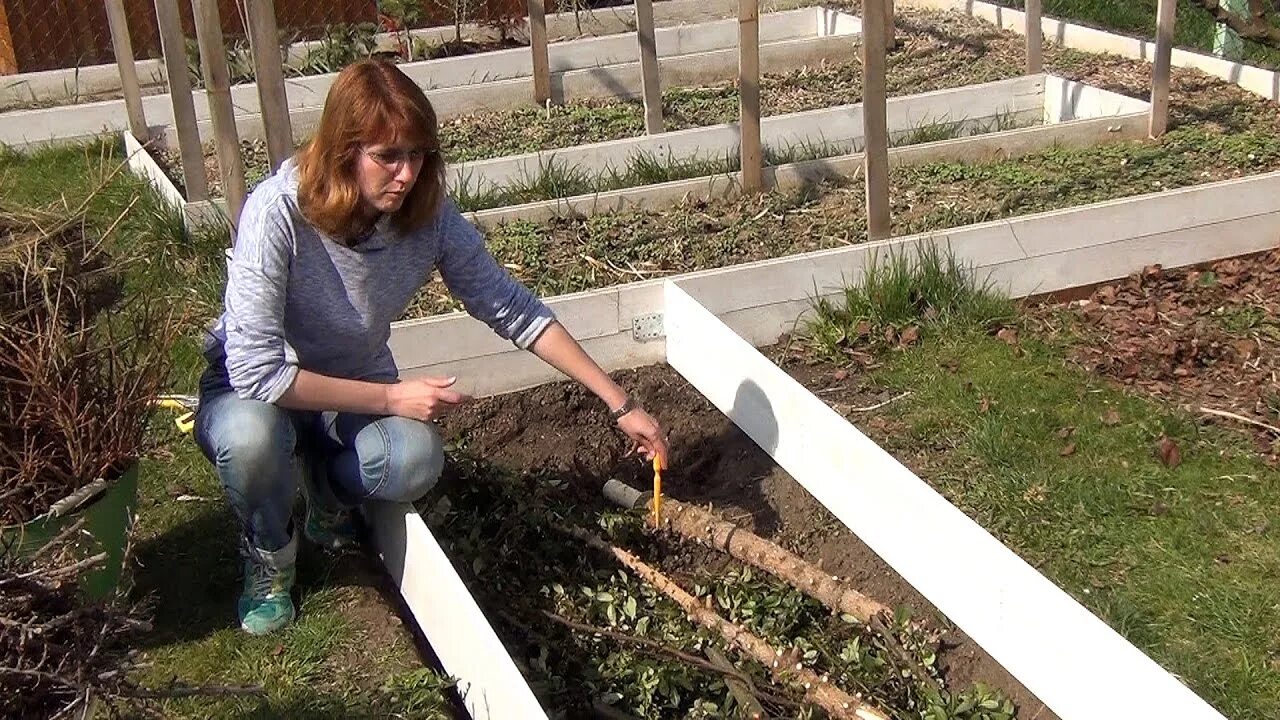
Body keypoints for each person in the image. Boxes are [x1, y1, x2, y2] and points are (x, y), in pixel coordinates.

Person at [193, 59, 668, 636]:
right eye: (387, 156)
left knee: (413, 459)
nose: (406, 173)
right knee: (251, 439)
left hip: (351, 386)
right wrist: (392, 398)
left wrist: (619, 403)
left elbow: (509, 306)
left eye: (418, 155)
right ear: (345, 150)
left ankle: (326, 495)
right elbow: (259, 372)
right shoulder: (278, 214)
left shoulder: (427, 217)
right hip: (257, 391)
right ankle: (269, 555)